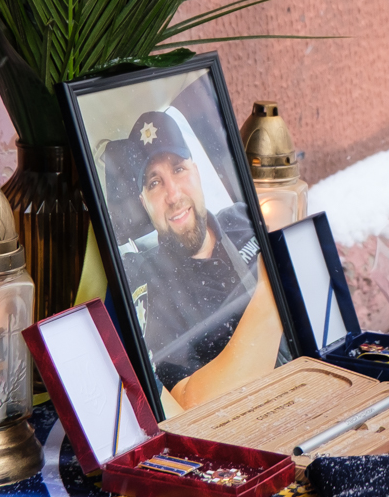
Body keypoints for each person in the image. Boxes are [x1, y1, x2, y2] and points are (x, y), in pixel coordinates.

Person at [113, 110, 285, 411]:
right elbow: (191, 403)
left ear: (196, 170)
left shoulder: (244, 219)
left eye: (179, 169)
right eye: (154, 183)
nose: (173, 194)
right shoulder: (149, 285)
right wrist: (275, 290)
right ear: (143, 203)